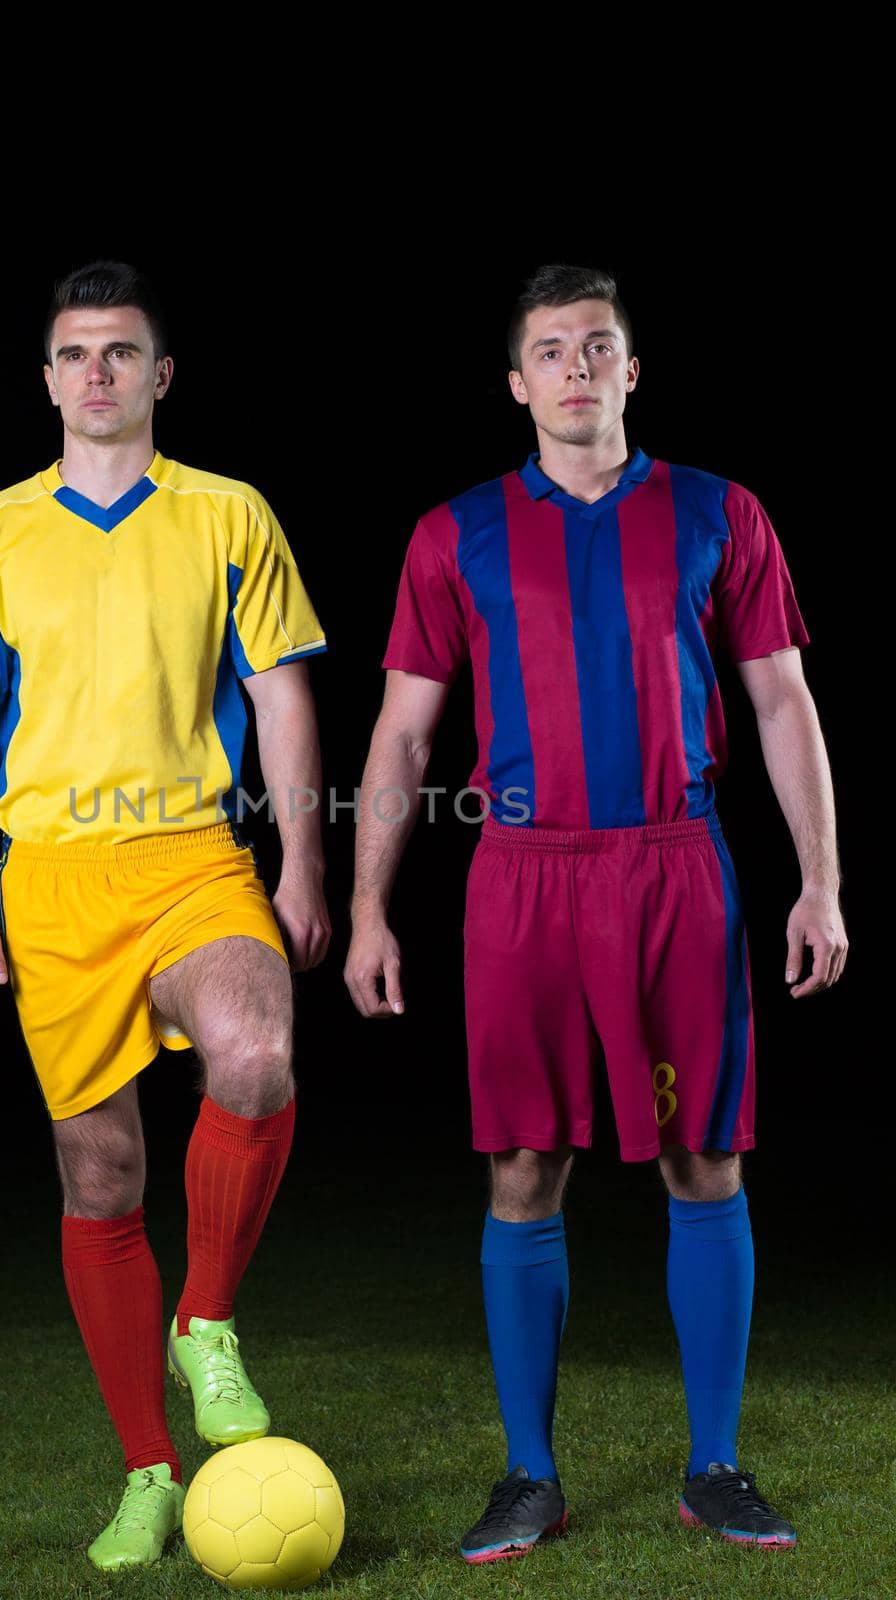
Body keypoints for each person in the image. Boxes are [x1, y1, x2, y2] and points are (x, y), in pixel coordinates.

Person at [345, 263, 847, 1562]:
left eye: (600, 346)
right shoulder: (454, 533)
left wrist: (823, 881)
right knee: (523, 1165)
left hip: (678, 867)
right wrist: (368, 910)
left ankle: (716, 1465)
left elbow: (783, 700)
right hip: (523, 877)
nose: (577, 367)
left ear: (634, 370)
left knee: (706, 1159)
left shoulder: (718, 513)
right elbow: (404, 731)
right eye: (552, 350)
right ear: (517, 383)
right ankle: (529, 1476)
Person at [0, 261, 331, 1571]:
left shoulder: (230, 515)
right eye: (75, 353)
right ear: (47, 379)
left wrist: (306, 867)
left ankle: (207, 1322)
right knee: (102, 1176)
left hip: (197, 858)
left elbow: (283, 700)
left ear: (160, 376)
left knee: (256, 1056)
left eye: (121, 351)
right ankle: (149, 1470)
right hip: (52, 881)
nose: (96, 372)